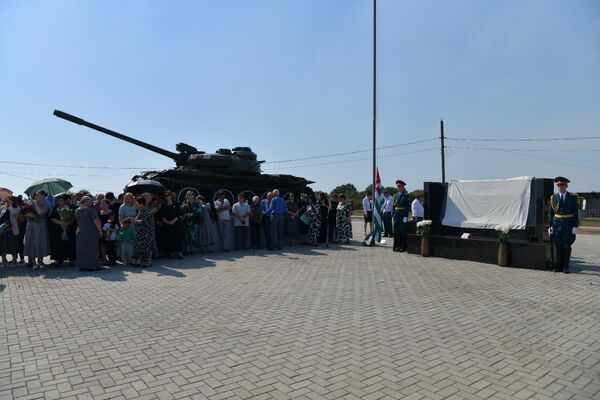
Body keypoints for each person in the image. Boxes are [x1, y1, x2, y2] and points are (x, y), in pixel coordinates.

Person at [548, 176, 579, 273]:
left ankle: (566, 267)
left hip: (568, 225)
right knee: (558, 245)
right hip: (557, 225)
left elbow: (575, 213)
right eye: (559, 186)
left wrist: (575, 226)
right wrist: (550, 226)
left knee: (566, 245)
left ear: (566, 186)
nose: (560, 187)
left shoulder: (573, 198)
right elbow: (551, 213)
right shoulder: (554, 198)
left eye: (562, 185)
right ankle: (558, 266)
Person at [24, 191, 51, 269]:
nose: (36, 197)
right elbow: (26, 214)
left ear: (43, 196)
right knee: (31, 241)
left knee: (41, 242)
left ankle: (40, 262)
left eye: (37, 195)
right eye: (36, 195)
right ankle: (33, 263)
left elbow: (40, 212)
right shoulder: (32, 204)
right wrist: (28, 214)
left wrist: (35, 204)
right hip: (31, 225)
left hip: (41, 225)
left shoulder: (46, 204)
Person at [75, 196, 103, 271]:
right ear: (86, 201)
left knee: (81, 249)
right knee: (92, 249)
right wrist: (100, 230)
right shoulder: (91, 210)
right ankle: (92, 266)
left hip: (80, 232)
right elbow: (97, 221)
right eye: (90, 201)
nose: (92, 202)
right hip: (91, 233)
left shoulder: (77, 210)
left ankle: (82, 266)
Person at [48, 194, 76, 266]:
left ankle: (71, 260)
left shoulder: (69, 208)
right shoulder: (55, 208)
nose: (60, 202)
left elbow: (73, 217)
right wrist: (61, 223)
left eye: (61, 200)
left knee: (69, 244)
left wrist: (67, 223)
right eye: (59, 200)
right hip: (57, 230)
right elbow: (52, 218)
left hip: (68, 229)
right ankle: (58, 260)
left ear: (65, 201)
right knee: (57, 245)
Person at [131, 196, 155, 267]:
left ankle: (149, 263)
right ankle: (139, 261)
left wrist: (134, 220)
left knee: (147, 248)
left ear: (141, 204)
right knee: (141, 247)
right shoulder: (140, 210)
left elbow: (143, 221)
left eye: (136, 204)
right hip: (141, 232)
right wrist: (134, 219)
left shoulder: (146, 210)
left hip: (146, 233)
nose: (135, 205)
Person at [160, 191, 183, 259]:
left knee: (177, 238)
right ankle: (171, 253)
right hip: (167, 225)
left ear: (171, 196)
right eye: (166, 195)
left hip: (175, 224)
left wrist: (173, 221)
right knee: (169, 238)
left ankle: (180, 253)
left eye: (168, 195)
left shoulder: (176, 204)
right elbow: (162, 215)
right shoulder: (164, 205)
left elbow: (178, 214)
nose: (167, 197)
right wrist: (166, 222)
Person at [0, 197, 20, 266]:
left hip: (12, 229)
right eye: (7, 200)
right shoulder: (4, 207)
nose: (7, 201)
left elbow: (14, 213)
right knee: (3, 246)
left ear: (13, 201)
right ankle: (3, 262)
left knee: (13, 246)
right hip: (3, 229)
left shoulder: (16, 208)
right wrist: (4, 205)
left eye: (9, 200)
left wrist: (10, 205)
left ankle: (14, 262)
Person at [392, 180, 410, 252]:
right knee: (396, 232)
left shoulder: (405, 195)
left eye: (400, 186)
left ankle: (403, 247)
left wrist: (406, 216)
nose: (399, 187)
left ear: (403, 187)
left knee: (402, 232)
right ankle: (396, 246)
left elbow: (407, 206)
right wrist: (393, 215)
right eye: (398, 186)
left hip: (402, 216)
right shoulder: (395, 195)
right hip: (396, 216)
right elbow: (393, 206)